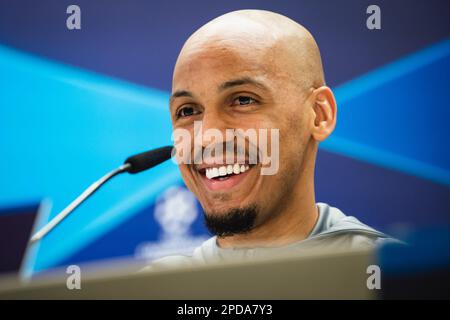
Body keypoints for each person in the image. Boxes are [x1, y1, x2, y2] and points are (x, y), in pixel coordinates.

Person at [146, 9, 395, 270]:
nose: (208, 137)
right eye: (188, 111)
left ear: (319, 115)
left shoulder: (396, 279)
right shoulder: (150, 290)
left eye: (243, 100)